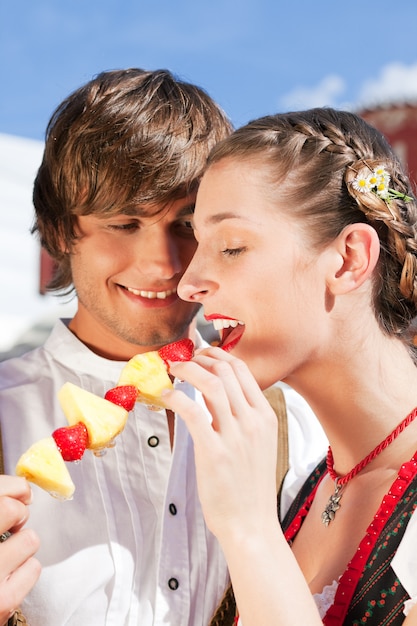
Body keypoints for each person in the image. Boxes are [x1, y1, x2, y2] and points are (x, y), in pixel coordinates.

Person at [0, 70, 326, 626]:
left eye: (186, 225)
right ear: (60, 232)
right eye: (124, 223)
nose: (165, 265)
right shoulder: (7, 412)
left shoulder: (296, 423)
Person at [161, 107, 417, 625]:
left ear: (348, 260)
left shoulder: (260, 506)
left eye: (231, 247)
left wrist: (248, 530)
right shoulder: (301, 481)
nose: (188, 284)